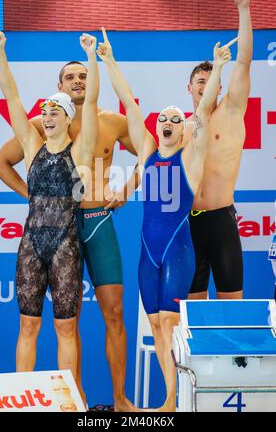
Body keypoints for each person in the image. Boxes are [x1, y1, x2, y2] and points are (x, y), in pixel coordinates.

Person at [0, 45, 139, 412]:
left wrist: (128, 188)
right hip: (44, 235)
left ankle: (112, 402)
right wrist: (35, 194)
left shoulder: (97, 129)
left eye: (83, 77)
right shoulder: (37, 130)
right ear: (57, 87)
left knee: (95, 318)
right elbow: (10, 104)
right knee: (44, 324)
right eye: (69, 77)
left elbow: (151, 150)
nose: (77, 81)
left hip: (90, 225)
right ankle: (64, 401)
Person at [97, 27, 234, 411]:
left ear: (182, 128)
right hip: (147, 255)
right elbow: (128, 100)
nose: (169, 123)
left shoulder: (189, 159)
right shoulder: (147, 155)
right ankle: (170, 396)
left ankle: (175, 399)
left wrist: (219, 67)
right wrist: (109, 61)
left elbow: (203, 111)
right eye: (164, 120)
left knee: (170, 325)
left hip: (177, 252)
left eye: (176, 119)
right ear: (157, 128)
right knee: (157, 325)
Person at [0, 31, 99, 406]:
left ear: (69, 118)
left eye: (55, 111)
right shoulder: (33, 144)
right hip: (31, 245)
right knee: (28, 324)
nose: (47, 115)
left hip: (66, 246)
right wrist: (0, 54)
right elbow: (12, 97)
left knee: (66, 327)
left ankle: (67, 402)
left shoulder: (81, 148)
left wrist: (91, 57)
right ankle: (23, 400)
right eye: (45, 111)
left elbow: (94, 98)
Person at [188, 0, 253, 300]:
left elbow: (243, 61)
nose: (204, 85)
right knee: (192, 314)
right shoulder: (182, 128)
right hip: (187, 223)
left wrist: (244, 10)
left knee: (233, 307)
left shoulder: (231, 111)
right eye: (199, 81)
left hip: (221, 222)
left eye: (209, 79)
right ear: (189, 88)